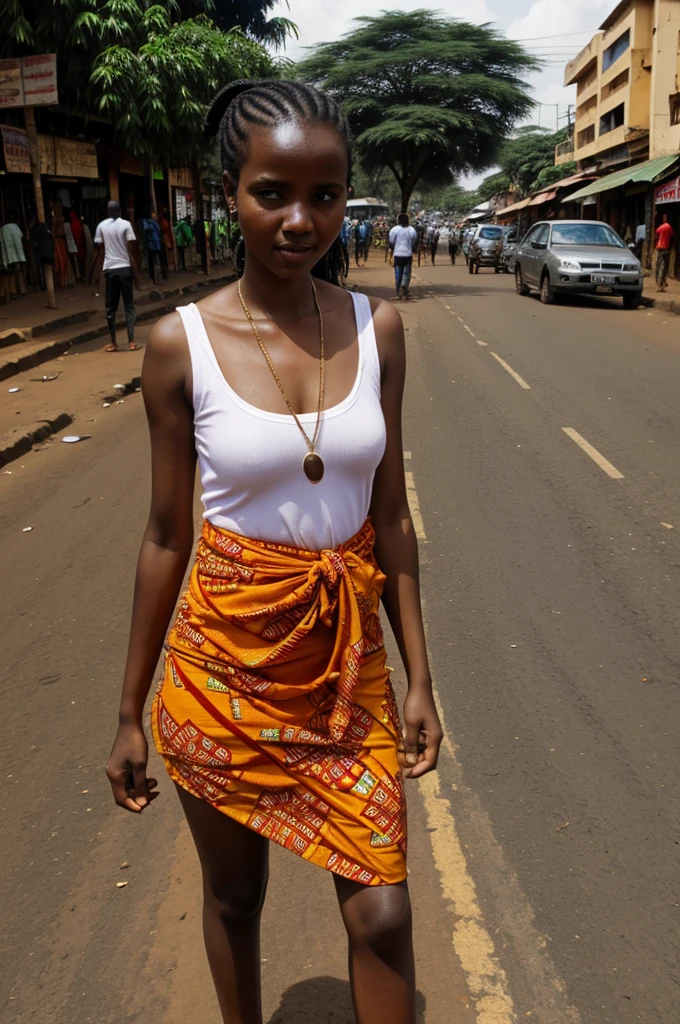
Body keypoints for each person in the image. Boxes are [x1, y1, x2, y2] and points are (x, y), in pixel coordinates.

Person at [106, 78, 442, 1024]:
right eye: (272, 193)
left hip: (348, 675)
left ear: (347, 197)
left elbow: (392, 518)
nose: (301, 220)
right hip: (224, 673)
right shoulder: (180, 346)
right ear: (230, 194)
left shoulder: (380, 330)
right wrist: (129, 711)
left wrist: (419, 675)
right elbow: (167, 533)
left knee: (381, 910)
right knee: (233, 898)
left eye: (325, 196)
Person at [92, 200, 141, 352]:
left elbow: (99, 247)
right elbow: (132, 246)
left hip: (110, 270)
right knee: (129, 306)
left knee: (110, 307)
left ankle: (113, 342)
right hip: (124, 268)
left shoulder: (102, 226)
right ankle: (131, 341)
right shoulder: (126, 224)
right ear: (120, 210)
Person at [388, 212, 418, 301]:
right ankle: (404, 286)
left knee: (398, 273)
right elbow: (414, 240)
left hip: (397, 254)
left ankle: (398, 291)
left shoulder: (394, 230)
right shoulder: (411, 230)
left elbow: (391, 241)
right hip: (408, 254)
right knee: (406, 273)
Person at [655, 212, 674, 292]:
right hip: (666, 248)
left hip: (660, 247)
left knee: (660, 266)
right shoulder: (669, 227)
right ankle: (662, 282)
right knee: (665, 266)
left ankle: (660, 283)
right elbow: (671, 236)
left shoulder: (661, 227)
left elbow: (657, 234)